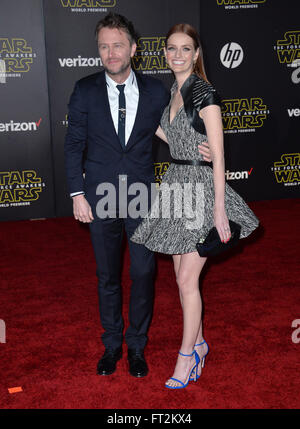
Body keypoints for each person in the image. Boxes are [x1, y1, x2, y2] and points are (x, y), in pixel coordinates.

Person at [64, 14, 212, 378]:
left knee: (144, 273)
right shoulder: (84, 90)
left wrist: (198, 148)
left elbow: (166, 131)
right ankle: (112, 344)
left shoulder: (155, 92)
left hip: (142, 196)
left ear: (133, 48)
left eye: (117, 45)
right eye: (104, 46)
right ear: (98, 51)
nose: (110, 53)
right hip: (99, 195)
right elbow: (73, 146)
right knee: (107, 274)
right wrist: (76, 193)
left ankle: (136, 346)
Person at [131, 23, 259, 388]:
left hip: (202, 188)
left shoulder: (205, 93)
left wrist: (220, 209)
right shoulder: (171, 91)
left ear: (196, 54)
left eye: (185, 49)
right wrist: (174, 140)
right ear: (165, 52)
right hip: (175, 185)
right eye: (172, 48)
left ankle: (186, 357)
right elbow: (169, 132)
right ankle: (200, 343)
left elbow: (219, 156)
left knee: (188, 278)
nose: (177, 55)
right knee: (179, 277)